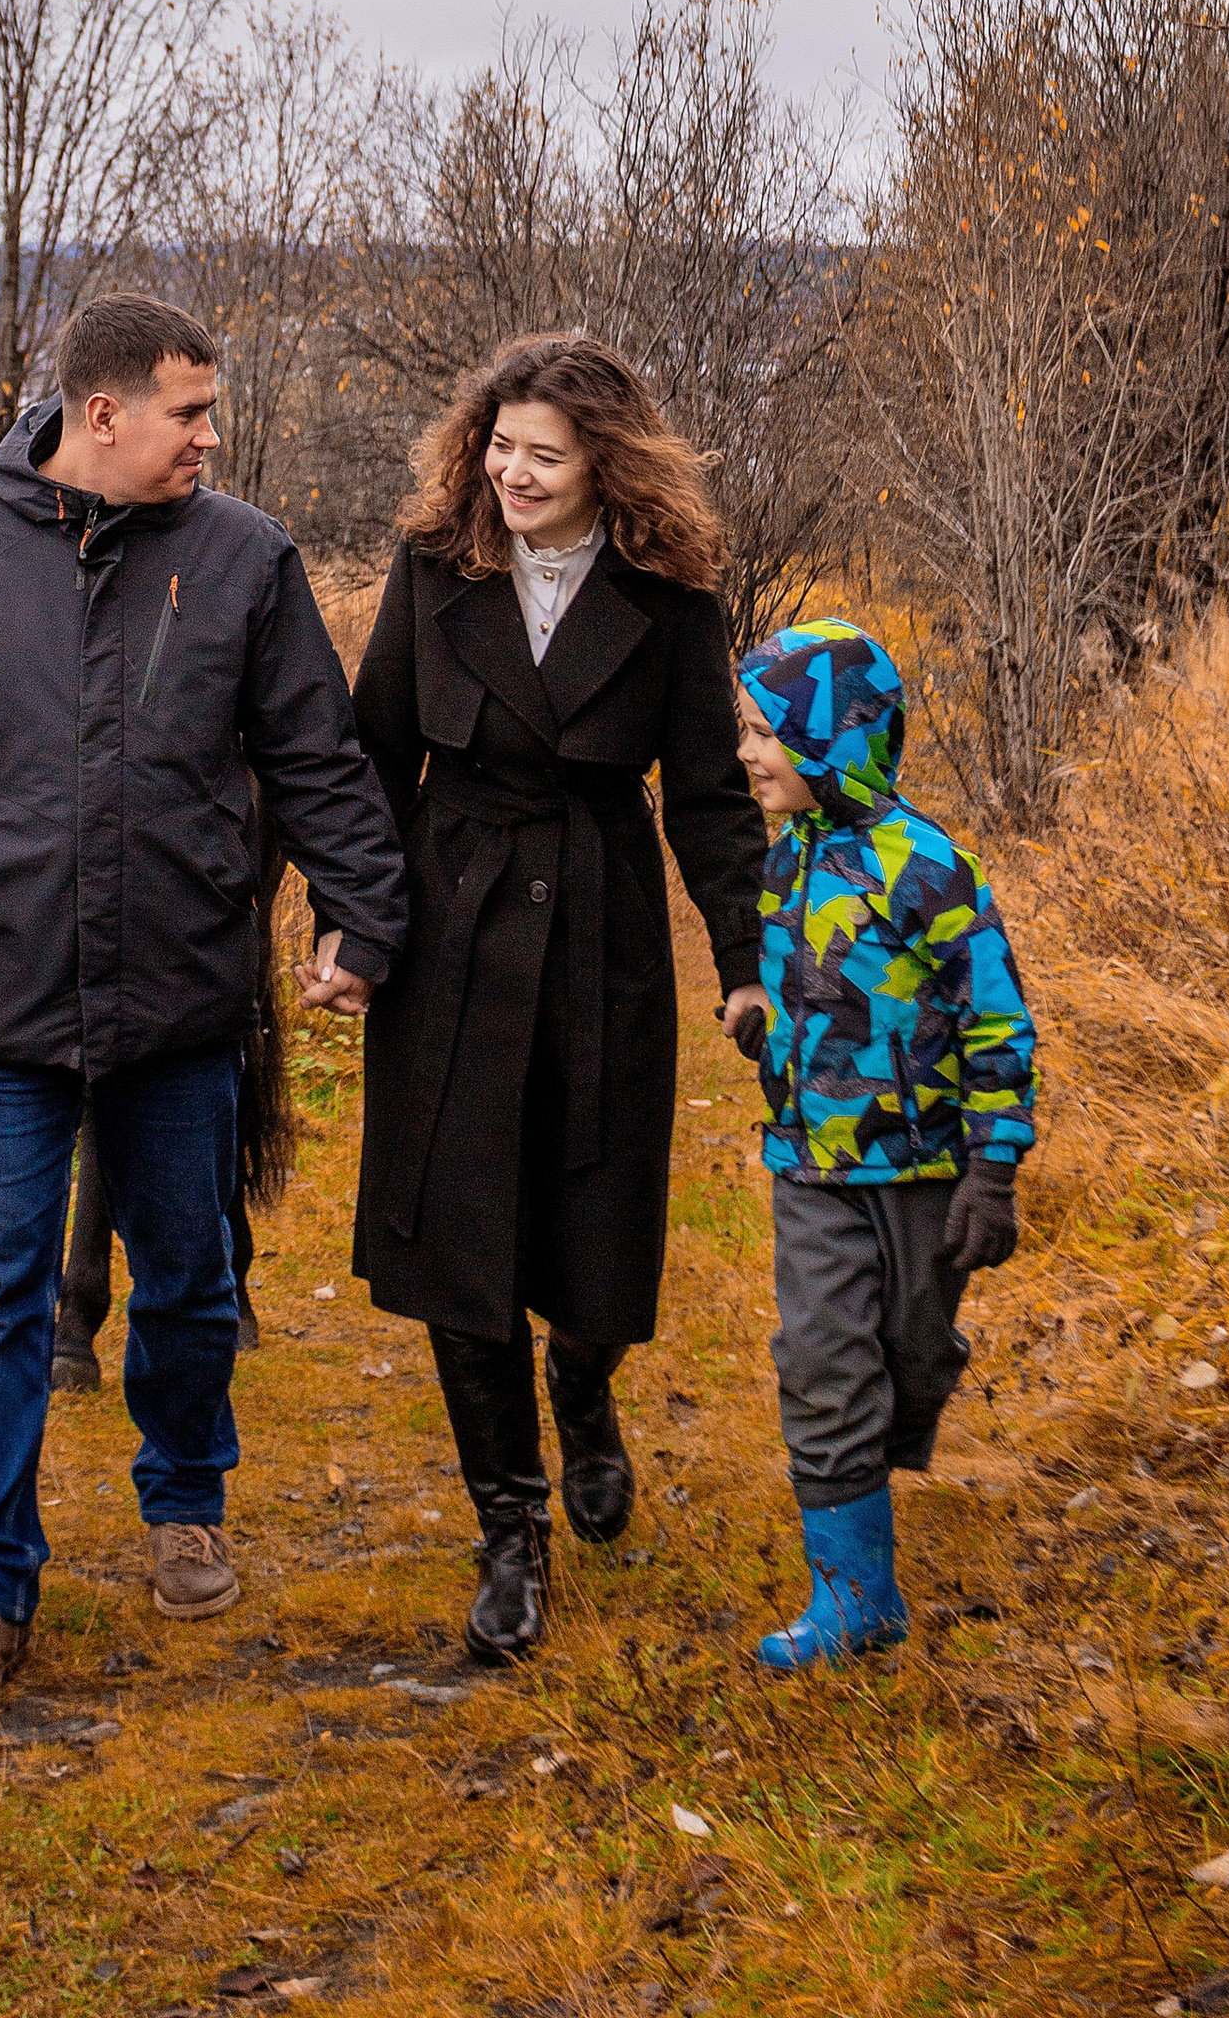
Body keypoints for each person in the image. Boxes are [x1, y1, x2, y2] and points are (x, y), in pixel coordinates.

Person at [0, 292, 407, 1713]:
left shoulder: (245, 557)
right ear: (102, 410)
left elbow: (313, 755)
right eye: (188, 412)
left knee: (188, 1282)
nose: (210, 436)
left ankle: (185, 1495)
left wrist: (363, 914)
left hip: (180, 997)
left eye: (210, 412)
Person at [348, 334, 769, 1664]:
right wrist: (357, 931)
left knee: (596, 1236)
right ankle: (509, 1527)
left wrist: (752, 966)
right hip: (452, 931)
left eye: (546, 452)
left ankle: (584, 1389)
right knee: (460, 1238)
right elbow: (371, 764)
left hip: (603, 936)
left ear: (606, 463)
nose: (514, 473)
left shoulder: (672, 602)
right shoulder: (432, 572)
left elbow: (707, 800)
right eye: (500, 446)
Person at [733, 614, 1037, 1670]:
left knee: (911, 1350)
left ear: (829, 738)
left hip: (922, 1170)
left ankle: (888, 1425)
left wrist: (992, 1171)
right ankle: (853, 1600)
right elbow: (804, 994)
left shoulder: (929, 869)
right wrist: (763, 1038)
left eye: (765, 732)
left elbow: (995, 1019)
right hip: (811, 1171)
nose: (748, 752)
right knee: (822, 1361)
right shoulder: (783, 868)